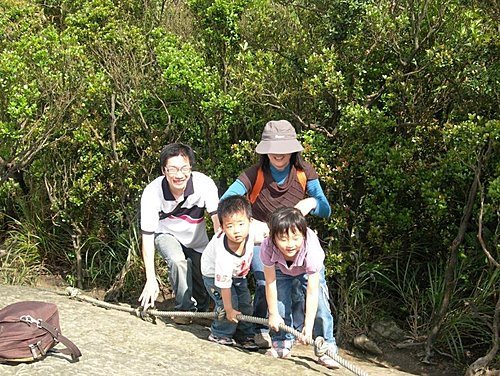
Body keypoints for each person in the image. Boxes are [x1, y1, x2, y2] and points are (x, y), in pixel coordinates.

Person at [220, 119, 331, 347]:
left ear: (292, 150)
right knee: (265, 281)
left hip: (295, 240)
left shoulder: (304, 173)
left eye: (283, 150)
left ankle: (316, 337)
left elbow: (325, 209)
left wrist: (311, 203)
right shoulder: (254, 175)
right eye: (273, 151)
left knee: (313, 287)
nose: (278, 155)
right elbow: (226, 202)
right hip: (265, 240)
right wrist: (250, 222)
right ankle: (264, 329)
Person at [139, 143, 220, 324]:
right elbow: (147, 236)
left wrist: (220, 253)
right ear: (163, 171)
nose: (179, 174)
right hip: (166, 234)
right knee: (177, 261)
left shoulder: (204, 184)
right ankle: (183, 310)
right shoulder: (152, 192)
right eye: (173, 169)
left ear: (191, 168)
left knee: (204, 273)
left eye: (184, 168)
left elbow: (217, 221)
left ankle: (202, 311)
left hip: (196, 240)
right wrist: (151, 279)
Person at [261, 207, 339, 369]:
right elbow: (270, 283)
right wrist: (273, 314)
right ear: (273, 238)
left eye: (295, 238)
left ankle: (326, 346)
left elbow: (312, 292)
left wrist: (308, 326)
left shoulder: (312, 249)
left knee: (321, 306)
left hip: (307, 270)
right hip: (280, 270)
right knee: (280, 304)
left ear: (303, 235)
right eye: (283, 239)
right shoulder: (267, 247)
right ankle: (282, 340)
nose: (290, 244)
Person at [201, 195, 261, 350]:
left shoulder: (254, 230)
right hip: (213, 274)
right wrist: (228, 309)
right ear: (221, 227)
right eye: (230, 226)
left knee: (245, 304)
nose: (237, 231)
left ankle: (245, 336)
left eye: (241, 224)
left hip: (238, 274)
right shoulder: (223, 253)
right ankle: (220, 333)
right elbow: (224, 286)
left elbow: (272, 232)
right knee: (229, 303)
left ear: (250, 222)